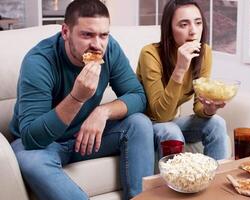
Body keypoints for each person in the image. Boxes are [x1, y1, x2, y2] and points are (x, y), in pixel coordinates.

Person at [9, 0, 154, 199]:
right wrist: (77, 98)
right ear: (66, 32)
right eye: (87, 34)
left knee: (139, 123)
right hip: (43, 144)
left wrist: (102, 112)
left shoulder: (109, 49)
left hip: (84, 137)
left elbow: (137, 96)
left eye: (103, 35)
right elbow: (32, 137)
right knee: (31, 160)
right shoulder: (39, 61)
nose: (97, 44)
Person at [136, 0, 229, 160]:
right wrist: (180, 68)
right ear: (169, 29)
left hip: (172, 122)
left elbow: (199, 105)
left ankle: (215, 180)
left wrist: (209, 109)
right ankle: (176, 183)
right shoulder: (150, 54)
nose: (193, 31)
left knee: (217, 123)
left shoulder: (204, 52)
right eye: (183, 24)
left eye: (198, 23)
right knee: (171, 131)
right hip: (146, 125)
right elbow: (160, 116)